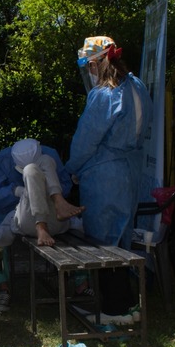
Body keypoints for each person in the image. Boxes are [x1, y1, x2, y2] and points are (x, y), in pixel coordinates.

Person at [66, 36, 152, 322]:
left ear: (95, 63)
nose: (88, 73)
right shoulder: (136, 85)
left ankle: (112, 311)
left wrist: (71, 169)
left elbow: (86, 140)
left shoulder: (104, 93)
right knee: (122, 243)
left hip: (104, 175)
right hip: (131, 172)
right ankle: (128, 306)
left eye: (88, 67)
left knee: (103, 245)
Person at [0, 138, 84, 312]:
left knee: (41, 166)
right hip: (16, 210)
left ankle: (82, 283)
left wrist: (42, 190)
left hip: (52, 211)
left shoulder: (49, 156)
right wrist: (15, 191)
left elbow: (65, 184)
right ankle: (2, 287)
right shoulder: (2, 159)